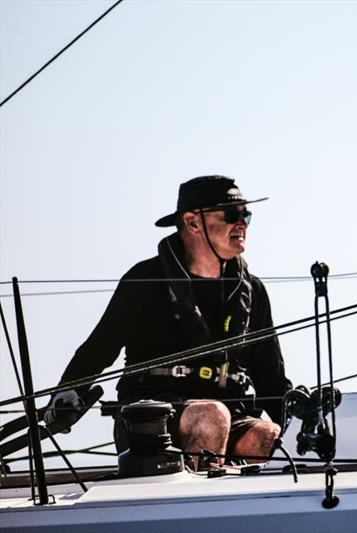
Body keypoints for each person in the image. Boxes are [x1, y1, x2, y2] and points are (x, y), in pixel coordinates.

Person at [44, 175, 292, 468]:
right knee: (211, 416)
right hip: (148, 422)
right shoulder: (144, 280)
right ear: (192, 222)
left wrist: (299, 423)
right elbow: (100, 347)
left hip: (230, 412)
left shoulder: (253, 290)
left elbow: (269, 376)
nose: (242, 224)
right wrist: (67, 392)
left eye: (245, 215)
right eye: (231, 214)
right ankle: (195, 509)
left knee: (266, 435)